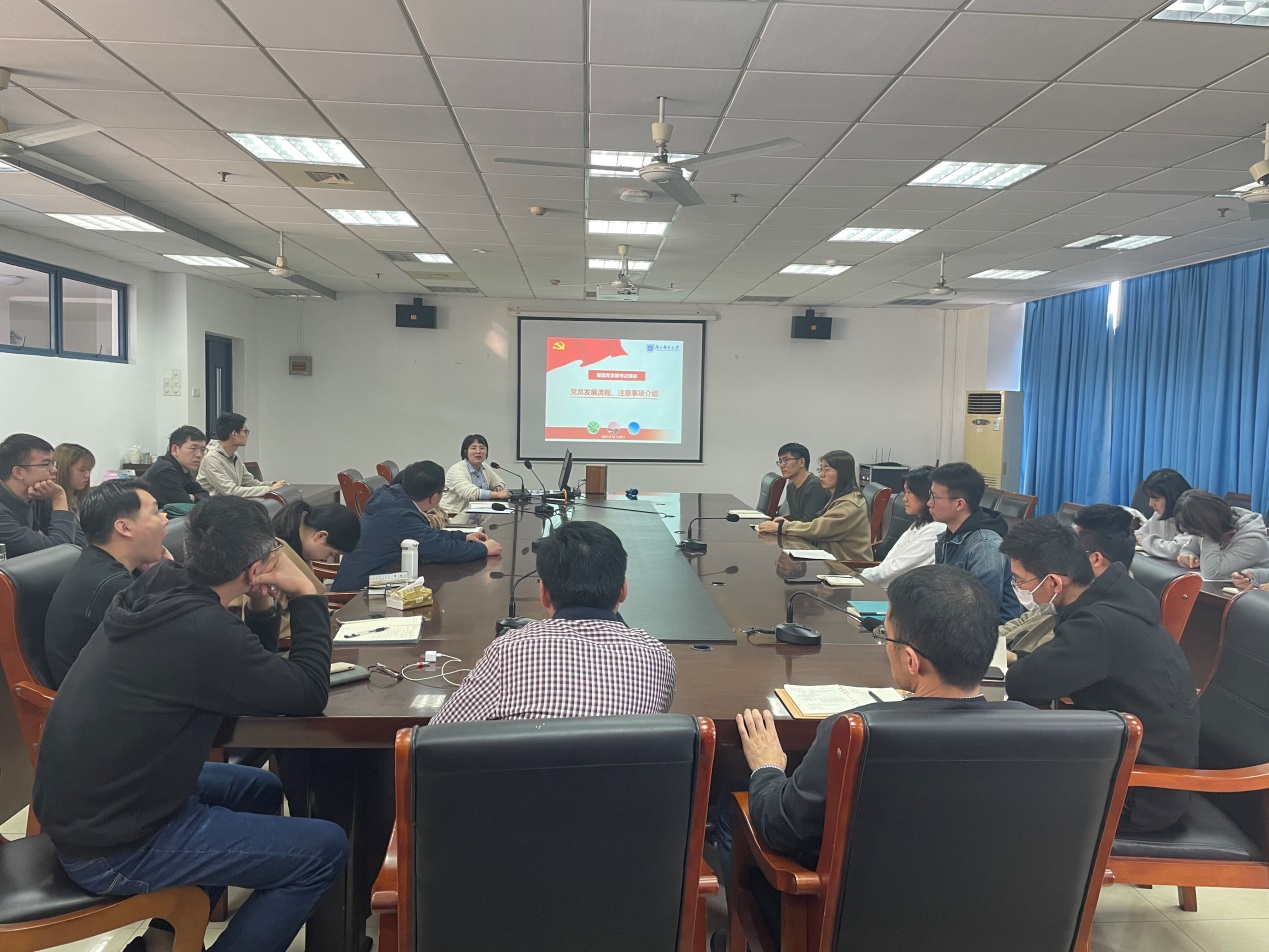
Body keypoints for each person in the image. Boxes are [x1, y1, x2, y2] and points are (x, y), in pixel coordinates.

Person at [32, 496, 348, 952]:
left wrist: (260, 606)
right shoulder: (200, 627)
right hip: (112, 846)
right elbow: (307, 694)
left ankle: (163, 943)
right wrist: (307, 596)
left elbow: (244, 674)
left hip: (86, 807)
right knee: (324, 849)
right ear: (255, 567)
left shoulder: (160, 584)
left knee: (258, 789)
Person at [723, 565, 1031, 920]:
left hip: (852, 926)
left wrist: (767, 767)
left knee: (734, 805)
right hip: (990, 923)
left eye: (887, 638)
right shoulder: (1036, 733)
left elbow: (780, 829)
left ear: (911, 660)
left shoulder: (855, 732)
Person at [1002, 516, 1199, 833]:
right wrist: (1021, 659)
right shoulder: (1117, 598)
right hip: (1132, 767)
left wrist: (1019, 664)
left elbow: (1023, 684)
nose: (1019, 589)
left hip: (1137, 795)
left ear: (1054, 583)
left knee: (993, 781)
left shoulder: (1097, 624)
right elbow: (1054, 671)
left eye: (1021, 581)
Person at [431, 520, 676, 723]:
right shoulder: (657, 656)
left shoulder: (509, 650)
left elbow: (436, 738)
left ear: (543, 593)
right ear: (623, 590)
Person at [45, 481, 169, 687]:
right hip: (96, 701)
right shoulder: (112, 586)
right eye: (156, 513)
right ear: (124, 527)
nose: (165, 520)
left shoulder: (96, 563)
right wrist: (168, 576)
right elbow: (174, 644)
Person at [333, 460, 501, 590]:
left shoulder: (394, 499)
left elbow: (425, 536)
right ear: (434, 497)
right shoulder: (400, 515)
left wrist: (463, 537)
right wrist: (483, 549)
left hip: (375, 580)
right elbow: (437, 549)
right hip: (361, 593)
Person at [1004, 504, 1138, 662]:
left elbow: (1050, 664)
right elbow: (1026, 620)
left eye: (1075, 548)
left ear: (1095, 559)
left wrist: (1011, 658)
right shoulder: (1071, 588)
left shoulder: (1101, 616)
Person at [928, 461, 1021, 623]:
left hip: (988, 633)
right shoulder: (950, 535)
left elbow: (981, 613)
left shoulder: (985, 547)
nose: (929, 503)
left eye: (935, 497)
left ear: (959, 504)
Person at [756, 450, 872, 561]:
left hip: (846, 567)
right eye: (820, 469)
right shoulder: (840, 497)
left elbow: (818, 529)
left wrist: (782, 527)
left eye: (827, 470)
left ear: (843, 473)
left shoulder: (849, 504)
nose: (821, 474)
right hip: (830, 561)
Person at [0, 432, 85, 556]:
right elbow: (61, 552)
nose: (54, 470)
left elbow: (79, 542)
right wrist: (59, 498)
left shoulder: (38, 493)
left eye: (52, 463)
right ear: (18, 472)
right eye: (46, 464)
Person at [860, 465, 944, 587]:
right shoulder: (919, 524)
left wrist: (859, 577)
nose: (904, 499)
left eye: (909, 492)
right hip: (885, 586)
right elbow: (890, 564)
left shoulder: (935, 530)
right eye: (905, 492)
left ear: (926, 493)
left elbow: (896, 569)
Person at [1174, 489, 1269, 579]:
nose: (1199, 535)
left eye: (1200, 532)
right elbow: (1189, 549)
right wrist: (1187, 556)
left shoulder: (1253, 539)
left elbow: (1212, 572)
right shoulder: (1204, 527)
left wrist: (1210, 532)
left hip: (1256, 588)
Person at [197, 412, 287, 498]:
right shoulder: (211, 459)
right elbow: (231, 492)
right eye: (245, 431)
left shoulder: (234, 455)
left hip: (231, 502)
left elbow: (250, 483)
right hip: (214, 505)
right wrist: (269, 489)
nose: (247, 435)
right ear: (234, 434)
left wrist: (273, 484)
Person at [440, 434, 509, 523]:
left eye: (482, 448)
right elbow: (471, 493)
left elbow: (498, 481)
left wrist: (498, 487)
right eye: (473, 448)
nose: (478, 451)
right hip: (453, 518)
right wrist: (497, 495)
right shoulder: (457, 470)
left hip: (476, 516)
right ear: (465, 452)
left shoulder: (484, 467)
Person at [146, 425, 210, 509]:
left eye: (203, 450)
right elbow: (185, 506)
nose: (199, 455)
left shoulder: (183, 469)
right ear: (175, 450)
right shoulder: (165, 471)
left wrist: (192, 497)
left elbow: (206, 496)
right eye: (193, 448)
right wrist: (193, 498)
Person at [1136, 468, 1193, 560]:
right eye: (1150, 498)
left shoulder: (1193, 518)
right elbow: (1137, 535)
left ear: (1173, 497)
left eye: (1156, 500)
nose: (1150, 504)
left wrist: (1143, 540)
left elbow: (1175, 550)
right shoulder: (1158, 515)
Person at [774, 442, 829, 522]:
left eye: (785, 460)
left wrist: (782, 525)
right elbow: (796, 518)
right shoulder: (790, 487)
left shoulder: (815, 486)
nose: (782, 465)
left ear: (801, 462)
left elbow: (809, 523)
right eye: (780, 461)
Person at [52, 442, 94, 513]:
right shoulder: (51, 503)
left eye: (89, 470)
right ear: (63, 469)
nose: (87, 475)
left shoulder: (81, 500)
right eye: (82, 470)